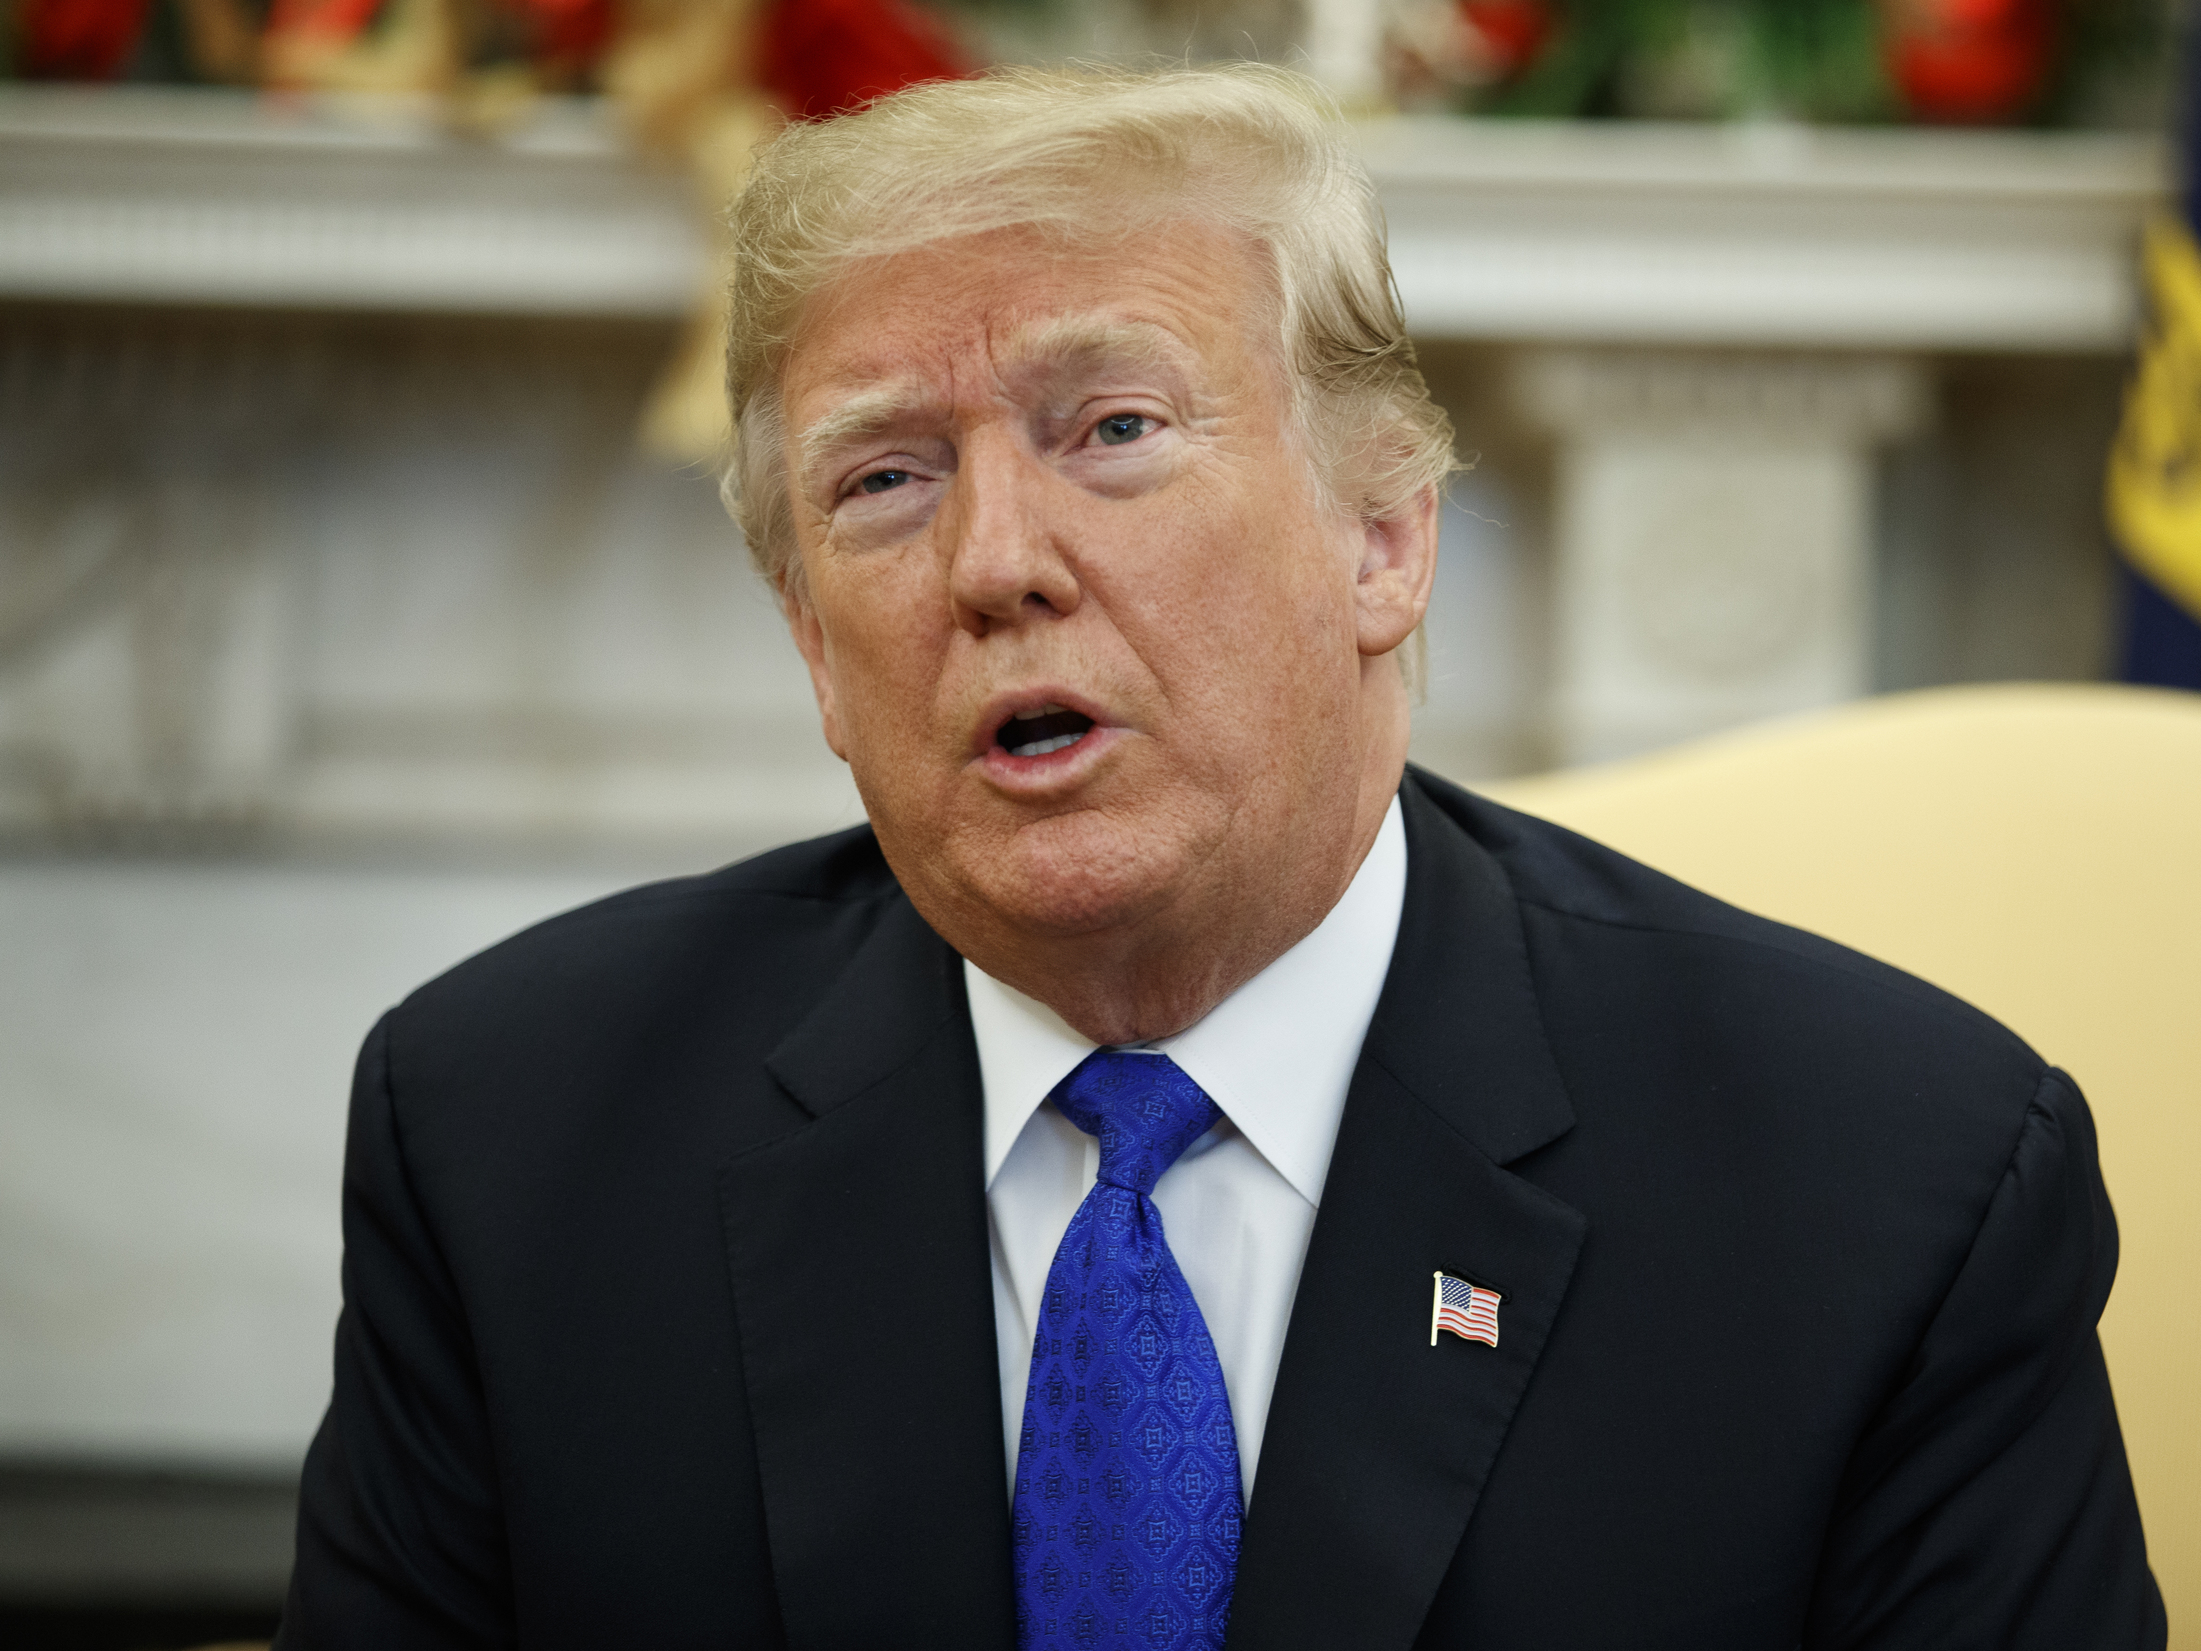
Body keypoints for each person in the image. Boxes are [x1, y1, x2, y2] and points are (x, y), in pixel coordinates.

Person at [276, 64, 2165, 1650]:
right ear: (810, 652)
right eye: (884, 480)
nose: (994, 561)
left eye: (1110, 428)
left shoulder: (1887, 1191)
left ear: (1383, 540)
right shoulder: (513, 1141)